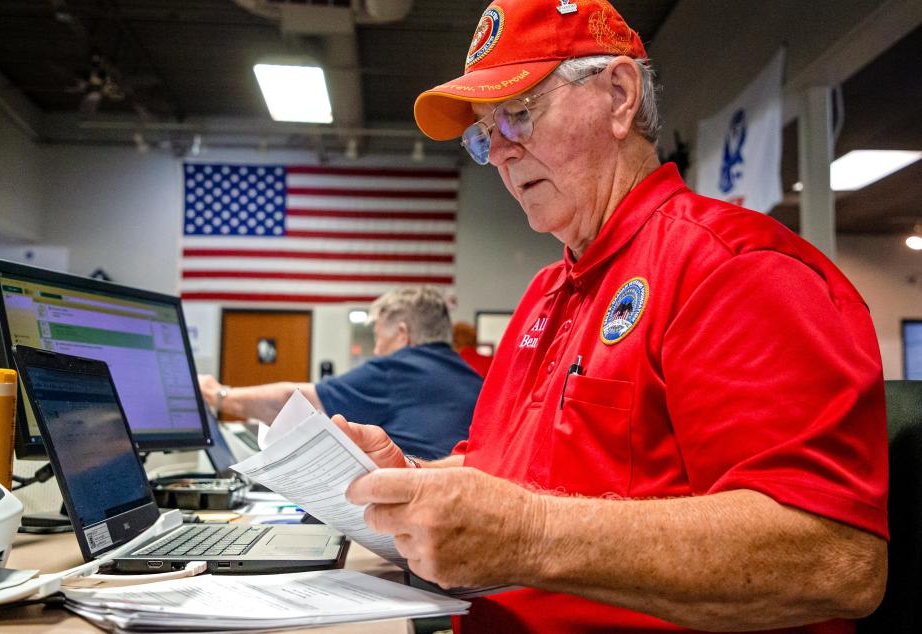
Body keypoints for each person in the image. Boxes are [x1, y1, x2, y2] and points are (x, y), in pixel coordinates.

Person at [335, 1, 890, 632]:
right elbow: (511, 471)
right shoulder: (548, 292)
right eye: (484, 134)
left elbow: (837, 559)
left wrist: (531, 535)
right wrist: (411, 483)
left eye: (518, 114)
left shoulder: (732, 269)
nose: (500, 155)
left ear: (620, 95)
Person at [198, 286, 481, 460]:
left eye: (379, 335)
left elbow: (292, 403)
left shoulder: (399, 367)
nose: (378, 350)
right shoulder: (476, 381)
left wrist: (217, 394)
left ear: (403, 334)